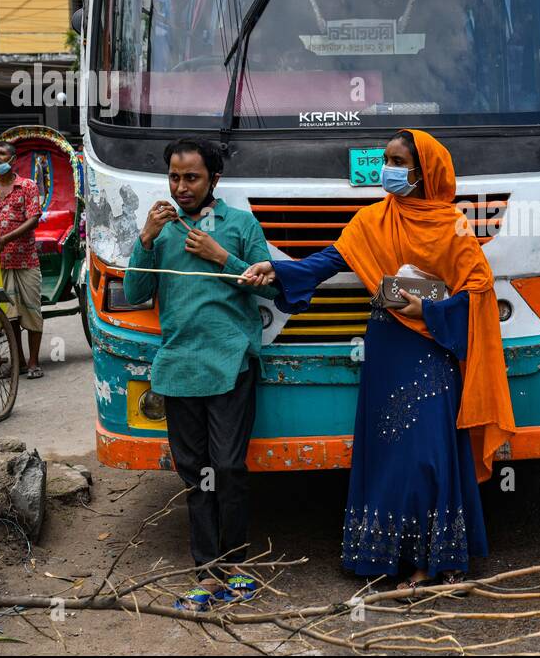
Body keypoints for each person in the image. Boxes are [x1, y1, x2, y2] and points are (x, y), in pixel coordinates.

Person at [241, 129, 516, 588]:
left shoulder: (454, 226)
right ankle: (391, 558)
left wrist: (427, 309)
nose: (387, 169)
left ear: (424, 172)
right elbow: (330, 260)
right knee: (389, 454)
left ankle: (435, 561)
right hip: (387, 346)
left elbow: (478, 293)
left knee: (427, 455)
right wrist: (280, 268)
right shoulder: (372, 219)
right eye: (385, 159)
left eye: (398, 161)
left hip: (430, 350)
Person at [123, 138, 278, 610]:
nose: (181, 187)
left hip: (230, 364)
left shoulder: (239, 224)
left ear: (214, 179)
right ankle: (207, 574)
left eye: (191, 177)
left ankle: (236, 566)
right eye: (174, 176)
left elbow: (266, 281)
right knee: (197, 474)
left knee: (228, 468)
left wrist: (220, 256)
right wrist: (144, 239)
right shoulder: (161, 231)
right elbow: (134, 292)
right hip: (177, 368)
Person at [0, 141, 45, 378]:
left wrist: (5, 239)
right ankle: (17, 361)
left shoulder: (27, 186)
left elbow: (34, 218)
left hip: (26, 261)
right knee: (8, 316)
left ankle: (33, 363)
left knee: (32, 312)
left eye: (1, 154)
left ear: (13, 160)